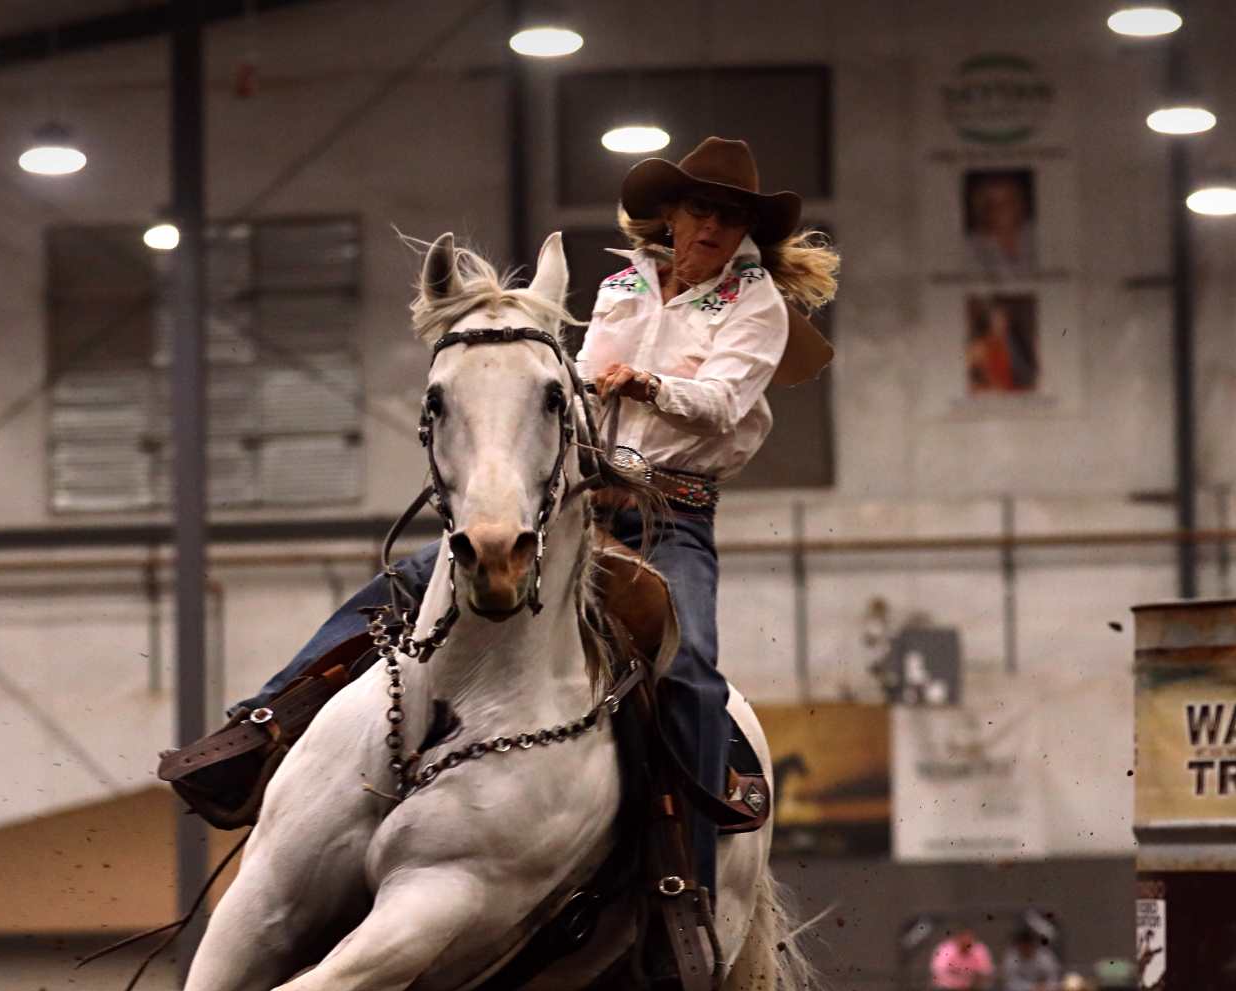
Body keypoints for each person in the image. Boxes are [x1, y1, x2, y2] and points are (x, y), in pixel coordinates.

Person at [231, 138, 840, 903]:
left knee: (689, 668)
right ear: (674, 218)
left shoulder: (755, 305)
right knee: (405, 584)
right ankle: (259, 725)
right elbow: (576, 380)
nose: (712, 226)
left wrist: (646, 385)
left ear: (745, 228)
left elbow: (724, 402)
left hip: (669, 513)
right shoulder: (624, 283)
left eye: (728, 215)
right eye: (700, 210)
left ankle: (691, 879)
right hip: (579, 495)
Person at [963, 170, 1037, 278]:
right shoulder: (970, 245)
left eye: (1008, 201)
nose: (1001, 209)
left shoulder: (1036, 231)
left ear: (1021, 204)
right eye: (992, 203)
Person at [928, 928, 996, 991]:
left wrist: (968, 982)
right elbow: (939, 974)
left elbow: (987, 973)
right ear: (957, 940)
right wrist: (961, 983)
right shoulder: (945, 949)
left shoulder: (980, 949)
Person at [1000, 922, 1060, 991]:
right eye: (1022, 945)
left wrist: (1046, 989)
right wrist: (1032, 989)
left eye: (1029, 944)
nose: (1026, 948)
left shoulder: (1045, 957)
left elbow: (1054, 979)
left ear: (1034, 944)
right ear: (1018, 945)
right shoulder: (1011, 957)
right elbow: (1010, 983)